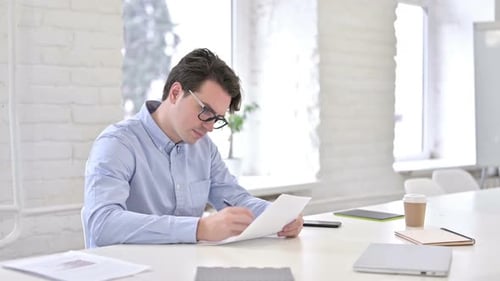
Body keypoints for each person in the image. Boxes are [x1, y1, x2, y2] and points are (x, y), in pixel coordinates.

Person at [83, 48, 304, 247]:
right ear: (176, 93)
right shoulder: (118, 143)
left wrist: (278, 216)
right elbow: (102, 224)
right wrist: (199, 228)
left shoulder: (204, 148)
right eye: (205, 111)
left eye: (216, 118)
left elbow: (236, 199)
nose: (209, 126)